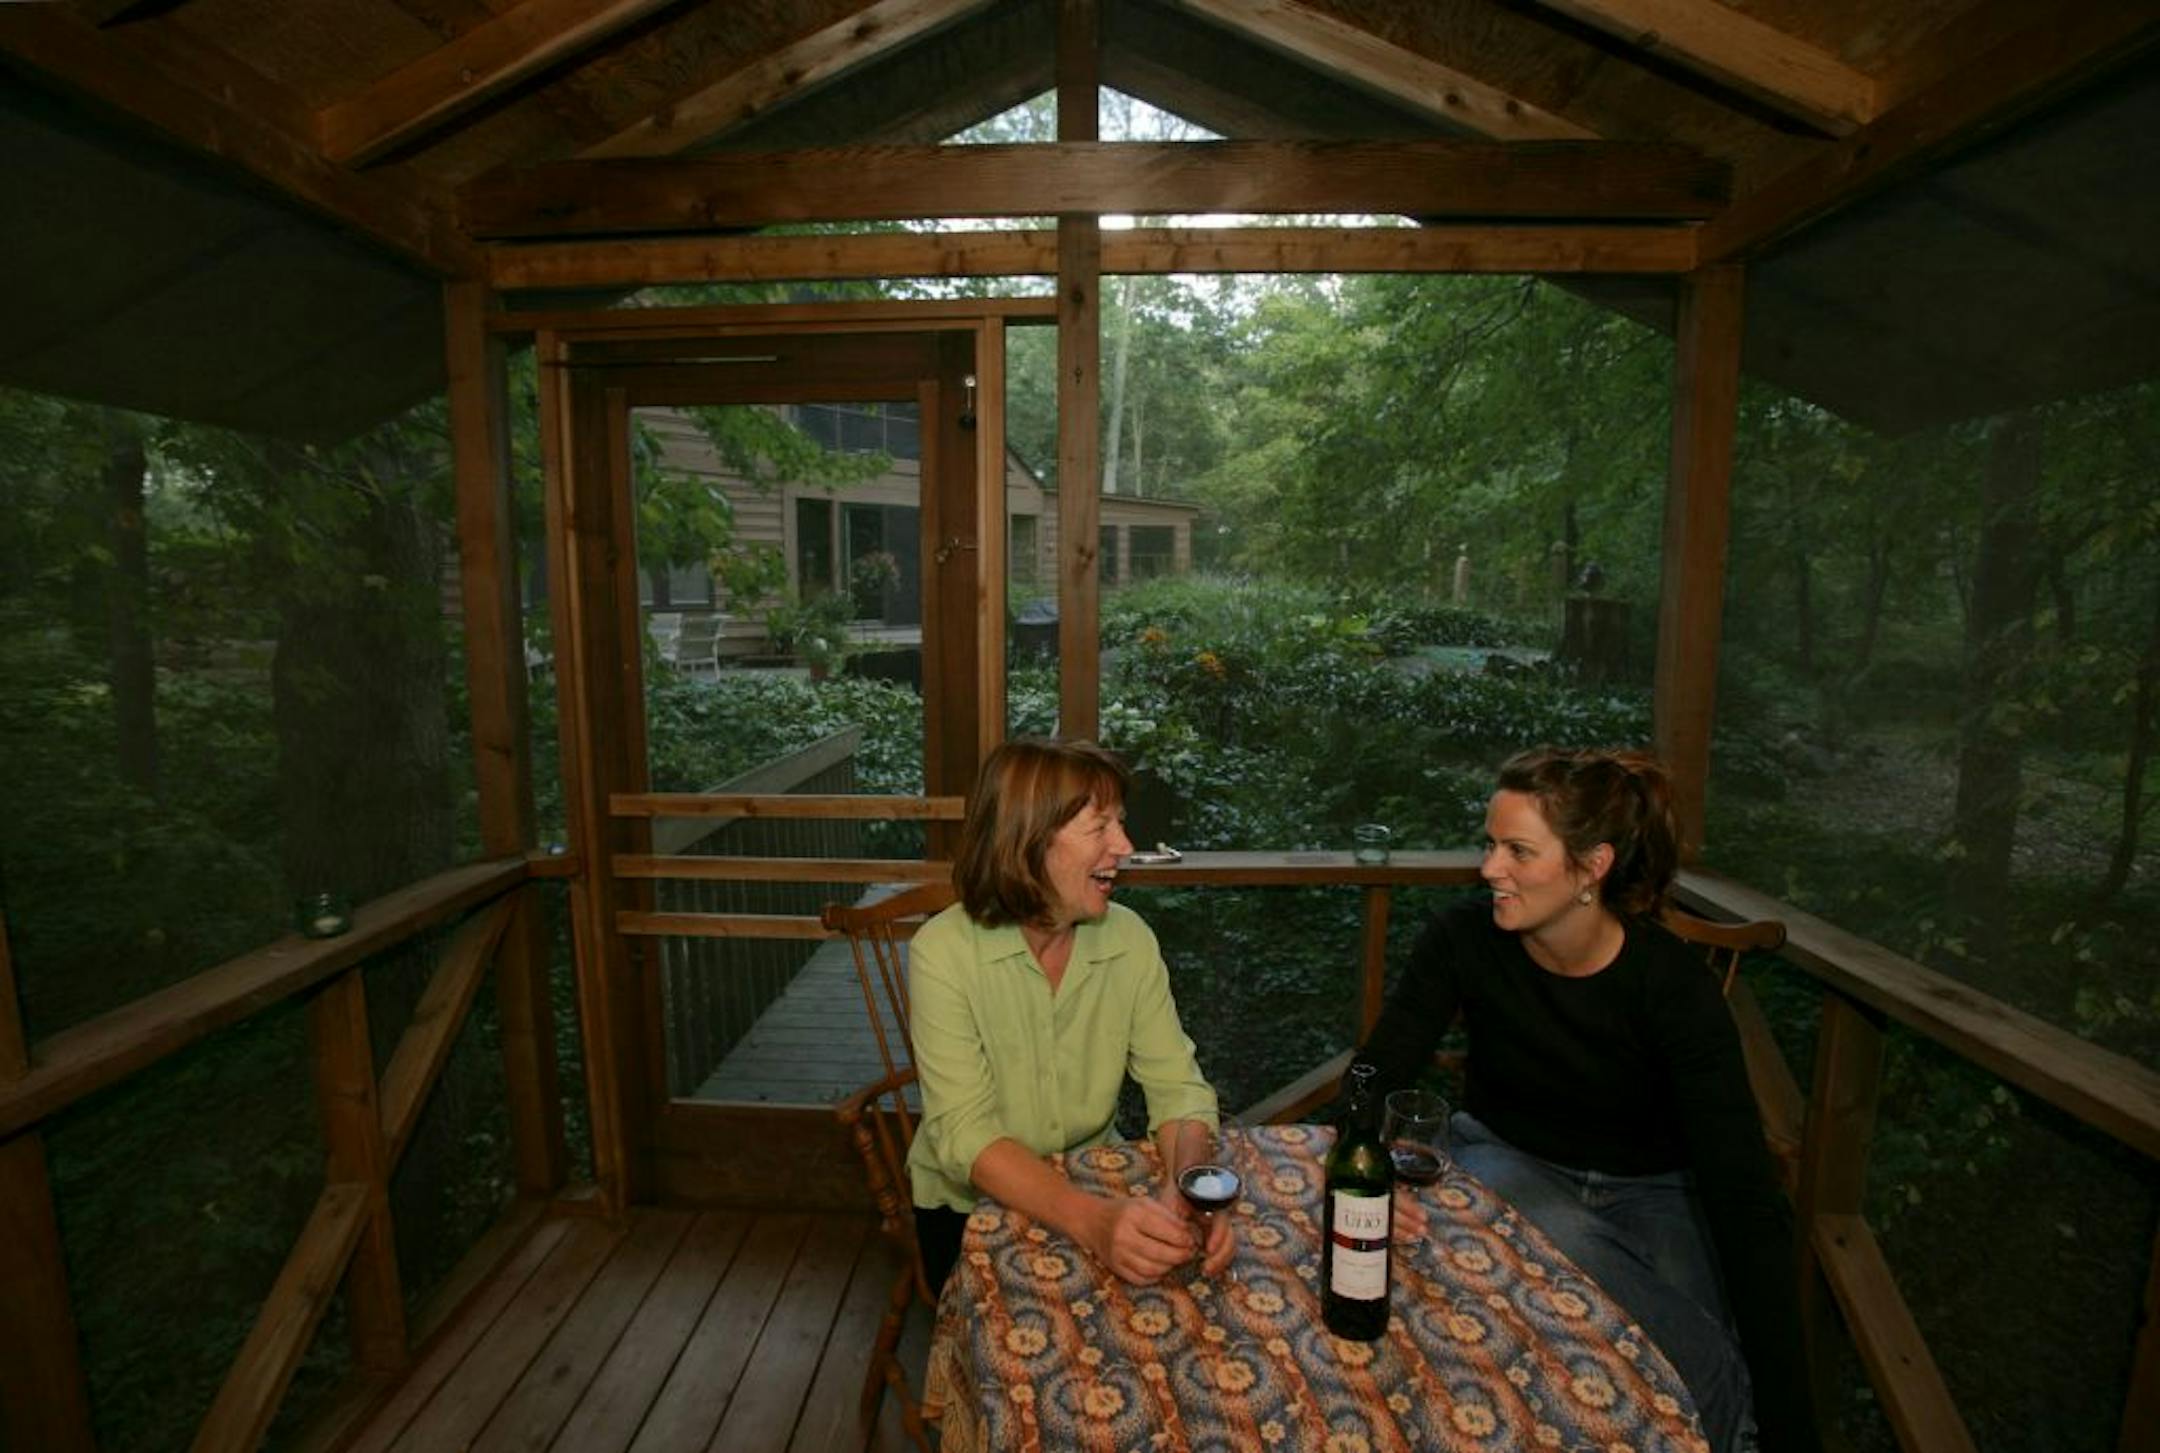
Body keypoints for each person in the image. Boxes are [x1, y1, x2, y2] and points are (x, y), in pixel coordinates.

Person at [1357, 746, 1819, 1453]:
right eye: (1490, 845)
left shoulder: (1671, 987)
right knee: (1575, 1251)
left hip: (1655, 1190)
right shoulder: (1462, 940)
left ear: (1592, 866)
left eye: (1517, 850)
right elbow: (1375, 1072)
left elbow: (1744, 1197)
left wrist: (1797, 1426)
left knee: (1697, 1329)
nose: (1489, 869)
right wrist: (1364, 1173)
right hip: (1506, 1161)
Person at [907, 736, 1231, 1295]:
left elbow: (1178, 1090)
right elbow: (965, 1135)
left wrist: (1189, 1188)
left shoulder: (1130, 939)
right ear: (1028, 840)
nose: (1124, 846)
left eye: (1120, 824)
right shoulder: (941, 952)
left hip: (1097, 1181)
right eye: (1100, 826)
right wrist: (1094, 1222)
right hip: (970, 1209)